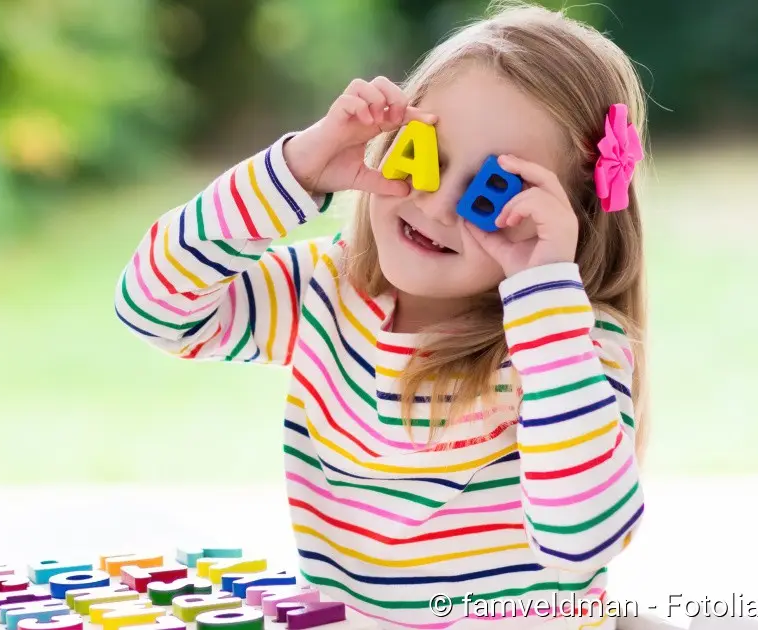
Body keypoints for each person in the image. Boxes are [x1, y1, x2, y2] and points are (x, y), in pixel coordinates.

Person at [115, 2, 650, 628]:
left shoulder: (571, 343)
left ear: (563, 221)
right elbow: (152, 309)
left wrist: (543, 296)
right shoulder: (328, 290)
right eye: (422, 157)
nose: (437, 205)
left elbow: (584, 536)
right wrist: (296, 169)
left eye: (492, 195)